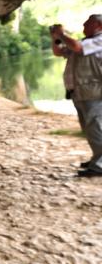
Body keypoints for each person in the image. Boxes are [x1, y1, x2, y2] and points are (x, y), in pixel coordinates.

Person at [50, 14, 102, 177]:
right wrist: (56, 39)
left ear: (99, 26)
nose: (84, 27)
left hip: (94, 92)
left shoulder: (99, 41)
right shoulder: (84, 43)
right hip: (79, 93)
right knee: (89, 128)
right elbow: (58, 52)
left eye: (87, 24)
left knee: (96, 127)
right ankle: (97, 159)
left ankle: (100, 165)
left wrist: (61, 35)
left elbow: (78, 48)